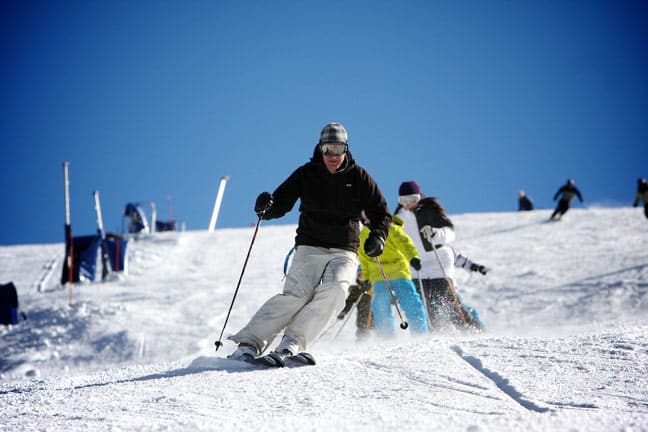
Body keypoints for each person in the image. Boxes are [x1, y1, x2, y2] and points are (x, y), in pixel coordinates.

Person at [227, 122, 391, 361]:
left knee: (337, 291)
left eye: (337, 149)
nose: (332, 155)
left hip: (344, 249)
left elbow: (381, 213)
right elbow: (280, 203)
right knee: (297, 296)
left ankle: (292, 343)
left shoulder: (358, 176)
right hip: (310, 245)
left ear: (346, 148)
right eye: (327, 149)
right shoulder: (307, 173)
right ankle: (248, 345)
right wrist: (266, 206)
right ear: (320, 148)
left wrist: (378, 236)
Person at [394, 181, 479, 331]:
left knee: (446, 296)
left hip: (437, 260)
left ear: (419, 197)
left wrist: (435, 233)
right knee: (424, 302)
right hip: (416, 264)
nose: (408, 204)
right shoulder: (398, 217)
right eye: (404, 201)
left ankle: (469, 328)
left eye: (412, 200)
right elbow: (395, 239)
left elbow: (450, 232)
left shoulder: (430, 209)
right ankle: (437, 331)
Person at [358, 214, 429, 336]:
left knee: (409, 300)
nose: (367, 219)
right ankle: (386, 336)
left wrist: (413, 257)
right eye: (364, 218)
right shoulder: (363, 235)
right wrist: (366, 278)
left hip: (399, 271)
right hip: (378, 273)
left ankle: (420, 332)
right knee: (379, 303)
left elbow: (404, 243)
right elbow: (364, 259)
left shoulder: (389, 228)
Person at [337, 267, 374, 339]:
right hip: (362, 322)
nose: (363, 279)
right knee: (362, 337)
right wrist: (343, 312)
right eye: (360, 275)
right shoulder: (356, 290)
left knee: (379, 339)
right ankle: (360, 345)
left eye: (365, 276)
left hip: (377, 322)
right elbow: (349, 302)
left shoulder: (376, 288)